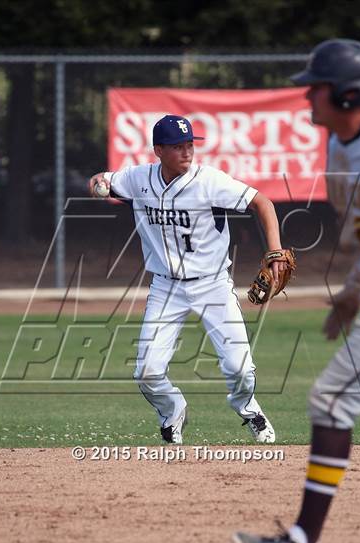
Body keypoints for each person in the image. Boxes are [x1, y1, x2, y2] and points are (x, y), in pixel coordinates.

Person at [233, 39, 360, 543]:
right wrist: (354, 290)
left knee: (331, 401)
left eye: (315, 88)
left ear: (348, 94)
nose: (307, 98)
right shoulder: (340, 150)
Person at [89, 114, 286, 445]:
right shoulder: (138, 179)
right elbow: (103, 179)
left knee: (239, 368)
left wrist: (275, 251)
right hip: (166, 287)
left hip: (212, 285)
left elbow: (261, 202)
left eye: (190, 144)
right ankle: (172, 409)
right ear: (158, 150)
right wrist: (98, 183)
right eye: (178, 146)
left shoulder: (209, 181)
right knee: (148, 372)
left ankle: (248, 408)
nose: (187, 151)